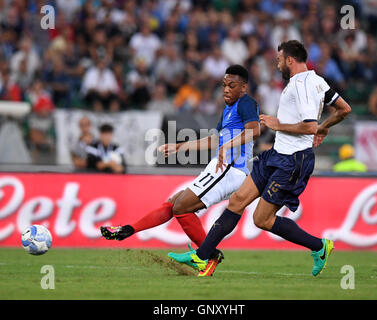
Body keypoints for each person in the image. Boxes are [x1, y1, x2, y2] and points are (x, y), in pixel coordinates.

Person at [168, 40, 352, 277]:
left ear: (289, 60)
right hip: (275, 154)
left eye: (278, 60)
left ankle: (319, 246)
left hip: (293, 161)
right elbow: (343, 109)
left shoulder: (303, 84)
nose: (276, 65)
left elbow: (308, 127)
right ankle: (201, 257)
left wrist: (279, 124)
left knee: (262, 219)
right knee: (236, 201)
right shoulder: (317, 81)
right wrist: (325, 127)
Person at [100, 65, 261, 277]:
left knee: (182, 207)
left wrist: (227, 146)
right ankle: (129, 229)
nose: (226, 89)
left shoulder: (246, 103)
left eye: (232, 85)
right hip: (219, 167)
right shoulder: (228, 110)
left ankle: (208, 255)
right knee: (174, 202)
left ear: (243, 87)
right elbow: (214, 140)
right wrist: (179, 146)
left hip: (230, 170)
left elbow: (255, 131)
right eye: (223, 85)